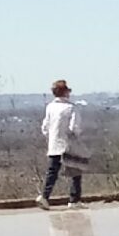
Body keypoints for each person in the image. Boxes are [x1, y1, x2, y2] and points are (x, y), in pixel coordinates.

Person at [37, 79, 85, 209]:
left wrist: (51, 137)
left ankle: (45, 196)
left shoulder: (50, 107)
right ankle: (74, 200)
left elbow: (45, 127)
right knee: (75, 171)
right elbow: (74, 127)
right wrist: (77, 138)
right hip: (69, 144)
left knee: (52, 172)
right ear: (65, 92)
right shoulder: (71, 108)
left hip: (54, 144)